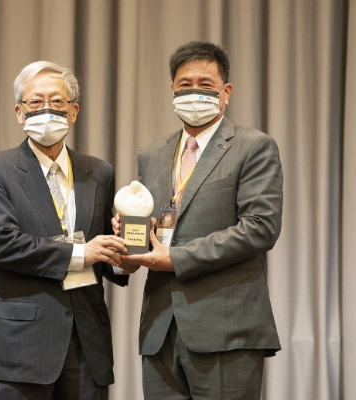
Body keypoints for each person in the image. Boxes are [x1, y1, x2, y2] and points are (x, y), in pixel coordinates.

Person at [114, 41, 283, 399]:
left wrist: (175, 258)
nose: (194, 93)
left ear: (226, 92)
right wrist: (130, 242)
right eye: (185, 85)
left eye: (205, 85)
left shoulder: (253, 146)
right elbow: (158, 230)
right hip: (159, 331)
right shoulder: (152, 155)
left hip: (226, 329)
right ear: (172, 91)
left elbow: (260, 227)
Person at [0, 60, 128, 400]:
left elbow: (104, 250)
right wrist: (81, 253)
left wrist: (125, 257)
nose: (47, 109)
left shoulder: (99, 172)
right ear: (19, 112)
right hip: (23, 348)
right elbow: (1, 244)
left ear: (73, 112)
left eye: (57, 102)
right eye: (36, 102)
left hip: (87, 346)